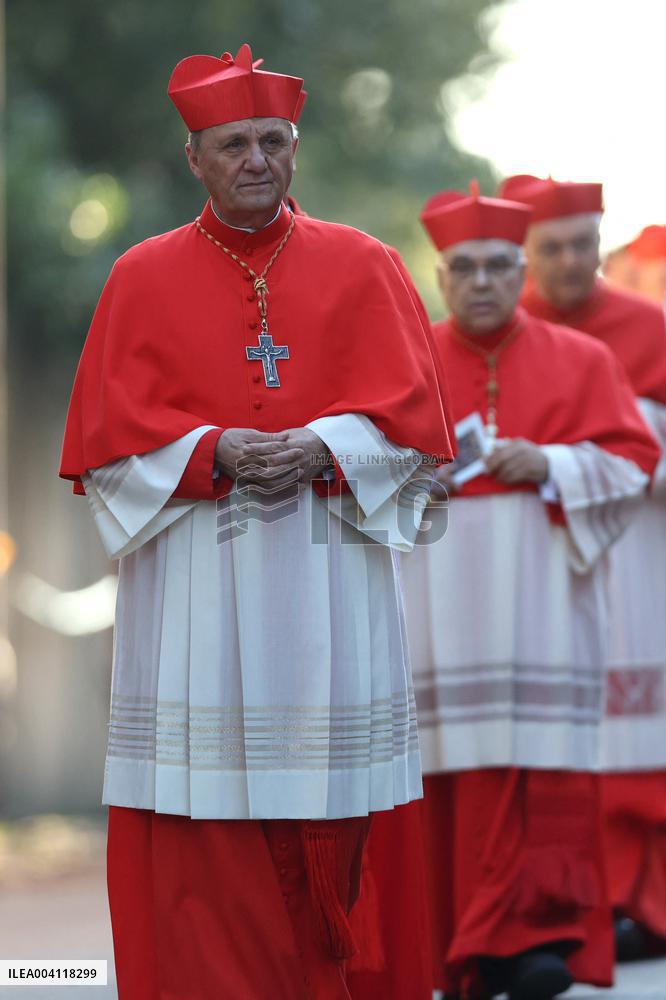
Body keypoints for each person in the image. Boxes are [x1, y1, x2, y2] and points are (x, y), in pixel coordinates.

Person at [59, 44, 453, 1000]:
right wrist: (211, 450)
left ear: (296, 147)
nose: (257, 160)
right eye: (233, 143)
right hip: (199, 581)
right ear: (193, 155)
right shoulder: (141, 277)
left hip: (331, 577)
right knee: (207, 819)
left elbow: (423, 440)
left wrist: (329, 448)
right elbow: (104, 454)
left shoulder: (365, 264)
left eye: (274, 141)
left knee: (339, 802)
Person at [400, 184, 659, 1000]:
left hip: (544, 602)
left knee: (540, 772)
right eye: (465, 268)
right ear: (441, 276)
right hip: (439, 610)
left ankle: (533, 934)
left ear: (522, 274)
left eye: (500, 267)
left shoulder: (585, 361)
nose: (483, 283)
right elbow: (350, 483)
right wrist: (415, 479)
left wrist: (551, 463)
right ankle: (464, 944)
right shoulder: (403, 359)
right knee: (452, 776)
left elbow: (631, 464)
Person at [500, 174, 666, 958]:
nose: (571, 262)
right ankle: (563, 906)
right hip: (540, 565)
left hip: (640, 559)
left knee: (640, 743)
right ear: (528, 253)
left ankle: (647, 904)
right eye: (553, 248)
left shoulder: (650, 329)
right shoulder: (507, 326)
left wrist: (618, 462)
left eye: (584, 246)